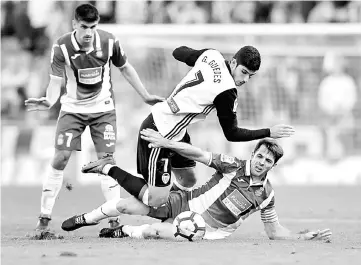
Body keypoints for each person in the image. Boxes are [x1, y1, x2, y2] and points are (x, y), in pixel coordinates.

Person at [81, 45, 295, 207]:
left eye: (251, 75)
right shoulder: (227, 92)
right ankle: (109, 167)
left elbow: (178, 52)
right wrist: (269, 132)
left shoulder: (211, 55)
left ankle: (168, 204)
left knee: (189, 178)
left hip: (177, 132)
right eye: (244, 72)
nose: (246, 79)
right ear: (233, 63)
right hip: (158, 131)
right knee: (155, 200)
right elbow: (231, 133)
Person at [24, 3, 164, 232]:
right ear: (74, 25)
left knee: (107, 162)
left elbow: (126, 68)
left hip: (103, 111)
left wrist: (145, 95)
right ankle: (44, 217)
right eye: (84, 27)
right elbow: (55, 81)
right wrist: (49, 100)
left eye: (93, 27)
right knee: (60, 158)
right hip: (72, 110)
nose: (89, 32)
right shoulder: (61, 46)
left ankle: (113, 219)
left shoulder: (109, 42)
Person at [62, 129, 331, 242]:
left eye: (267, 160)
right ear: (253, 155)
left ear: (273, 165)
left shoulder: (266, 195)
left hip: (209, 230)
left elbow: (273, 231)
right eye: (259, 156)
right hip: (185, 203)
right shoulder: (233, 164)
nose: (261, 161)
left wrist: (300, 237)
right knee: (124, 204)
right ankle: (87, 218)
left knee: (158, 231)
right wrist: (168, 144)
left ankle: (123, 232)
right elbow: (198, 154)